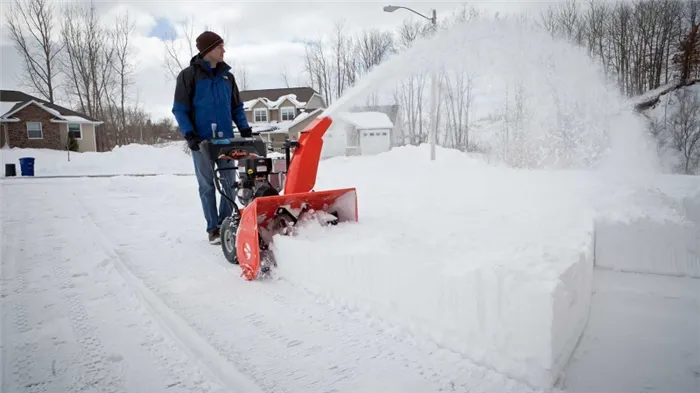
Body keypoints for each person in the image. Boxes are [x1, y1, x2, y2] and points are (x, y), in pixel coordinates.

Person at [172, 31, 252, 244]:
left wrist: (244, 129)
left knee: (229, 183)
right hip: (202, 142)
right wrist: (190, 134)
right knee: (207, 185)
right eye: (220, 47)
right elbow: (179, 109)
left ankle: (225, 223)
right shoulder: (188, 76)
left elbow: (236, 107)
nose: (223, 51)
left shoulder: (228, 77)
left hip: (225, 141)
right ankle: (213, 228)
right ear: (208, 50)